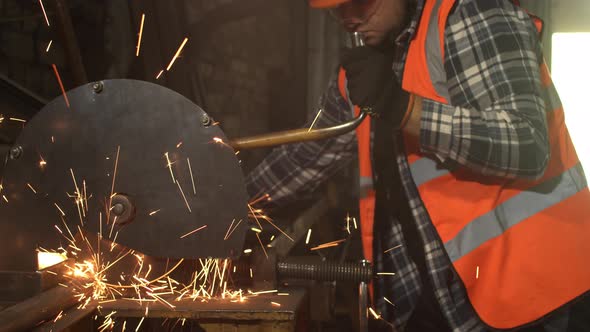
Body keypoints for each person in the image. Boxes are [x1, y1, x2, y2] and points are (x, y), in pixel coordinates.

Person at [246, 0, 590, 330]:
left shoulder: (468, 13)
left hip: (539, 294)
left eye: (361, 2)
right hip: (444, 298)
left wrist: (404, 109)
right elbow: (306, 155)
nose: (350, 18)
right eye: (339, 9)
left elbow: (525, 143)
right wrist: (228, 208)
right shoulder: (366, 69)